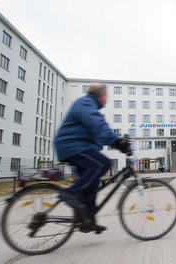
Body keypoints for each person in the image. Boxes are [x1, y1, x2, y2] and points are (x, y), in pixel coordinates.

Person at [55, 83, 131, 233]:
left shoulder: (88, 105)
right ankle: (70, 193)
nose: (107, 98)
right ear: (101, 96)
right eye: (107, 96)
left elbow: (98, 134)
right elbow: (98, 125)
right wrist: (116, 142)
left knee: (91, 185)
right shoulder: (85, 103)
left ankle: (88, 221)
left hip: (78, 146)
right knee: (102, 163)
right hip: (72, 146)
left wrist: (117, 143)